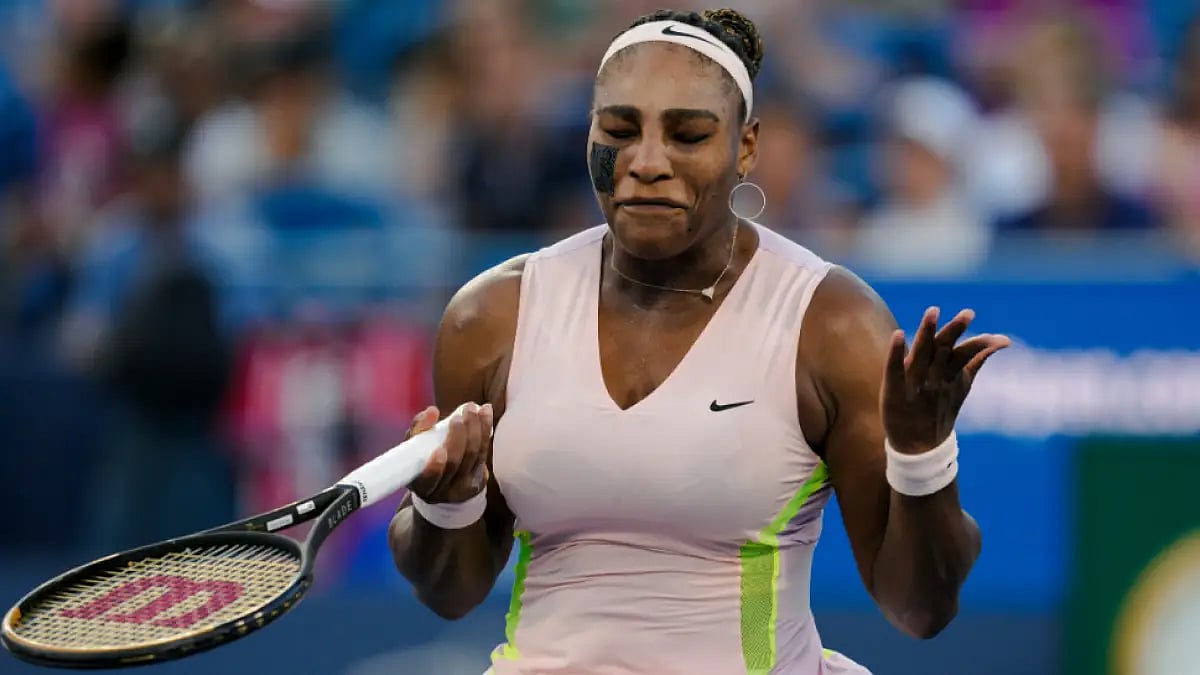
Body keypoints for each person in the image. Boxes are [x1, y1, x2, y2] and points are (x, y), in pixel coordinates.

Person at [388, 8, 1010, 674]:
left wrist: (921, 457)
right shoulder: (487, 318)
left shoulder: (831, 324)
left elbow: (921, 606)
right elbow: (452, 590)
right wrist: (445, 503)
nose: (647, 162)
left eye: (687, 134)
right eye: (619, 129)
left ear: (746, 147)